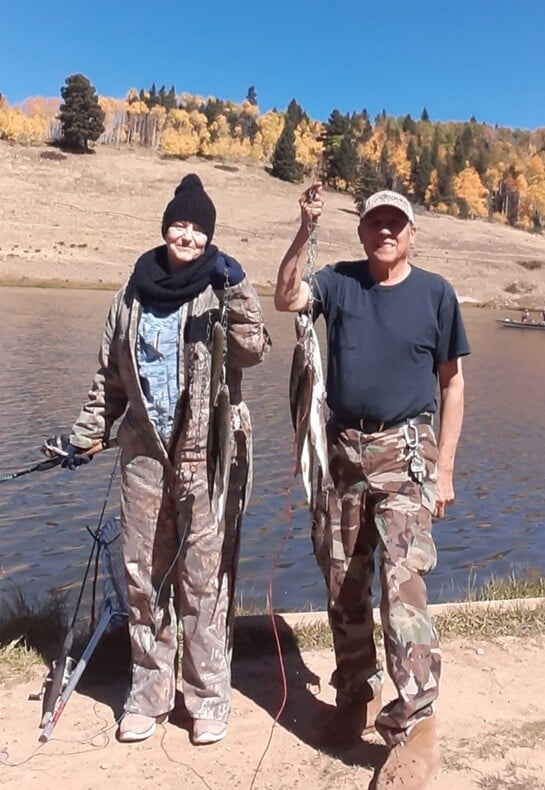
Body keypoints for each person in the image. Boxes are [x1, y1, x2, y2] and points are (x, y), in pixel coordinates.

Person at [55, 174, 270, 745]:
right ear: (165, 227)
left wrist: (242, 288)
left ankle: (207, 697)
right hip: (144, 459)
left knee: (202, 583)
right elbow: (109, 381)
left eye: (199, 228)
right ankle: (149, 694)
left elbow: (253, 350)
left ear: (209, 237)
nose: (188, 235)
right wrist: (85, 434)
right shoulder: (130, 295)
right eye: (181, 223)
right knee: (144, 579)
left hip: (205, 456)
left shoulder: (218, 293)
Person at [274, 187, 469, 789]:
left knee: (401, 583)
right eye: (375, 223)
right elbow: (286, 298)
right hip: (340, 454)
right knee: (343, 580)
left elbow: (453, 386)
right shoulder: (337, 281)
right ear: (361, 232)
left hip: (406, 454)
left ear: (412, 232)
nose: (385, 232)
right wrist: (304, 231)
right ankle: (354, 693)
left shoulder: (436, 293)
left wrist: (446, 469)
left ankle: (417, 727)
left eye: (396, 223)